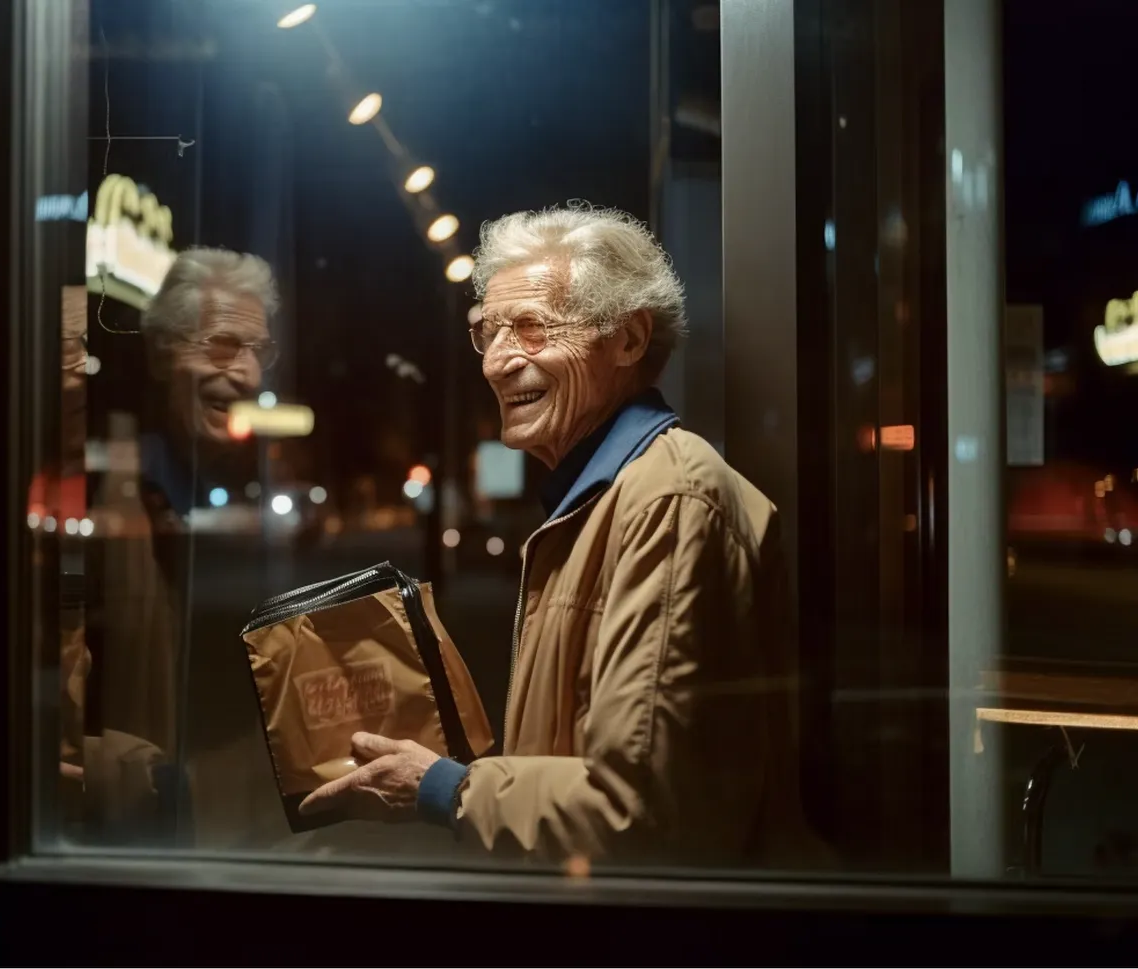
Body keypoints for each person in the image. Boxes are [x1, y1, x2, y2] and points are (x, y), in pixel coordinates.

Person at [300, 203, 822, 867]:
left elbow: (638, 809)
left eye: (531, 328)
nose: (497, 362)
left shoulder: (668, 498)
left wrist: (442, 788)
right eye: (487, 332)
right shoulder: (607, 496)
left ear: (629, 340)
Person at [62, 247, 283, 845]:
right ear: (162, 353)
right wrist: (148, 786)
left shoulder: (189, 494)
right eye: (221, 344)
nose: (247, 375)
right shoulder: (99, 494)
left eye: (258, 352)